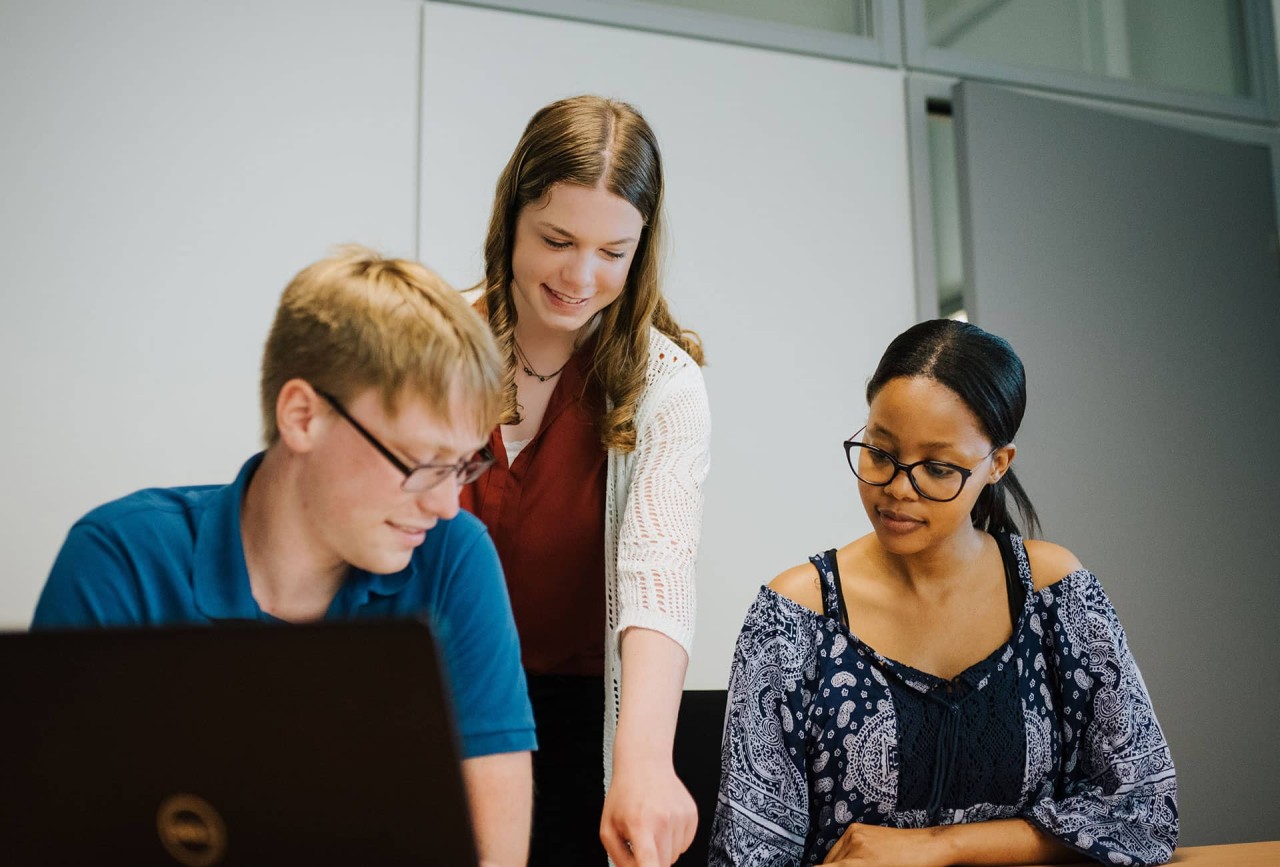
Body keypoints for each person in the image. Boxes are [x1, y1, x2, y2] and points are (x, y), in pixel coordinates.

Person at [32, 247, 536, 867]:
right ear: (303, 415)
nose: (447, 505)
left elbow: (496, 858)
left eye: (462, 466)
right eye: (423, 463)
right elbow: (53, 836)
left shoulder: (454, 560)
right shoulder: (121, 561)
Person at [709, 319, 1178, 866]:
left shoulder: (1053, 592)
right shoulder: (796, 614)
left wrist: (941, 847)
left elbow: (1146, 808)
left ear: (997, 464)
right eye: (879, 453)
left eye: (936, 468)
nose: (897, 489)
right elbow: (749, 853)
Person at [461, 94, 711, 867]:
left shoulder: (667, 383)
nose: (580, 275)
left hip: (572, 722)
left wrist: (643, 762)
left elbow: (658, 572)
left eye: (613, 251)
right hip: (431, 702)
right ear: (511, 219)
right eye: (558, 239)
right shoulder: (437, 342)